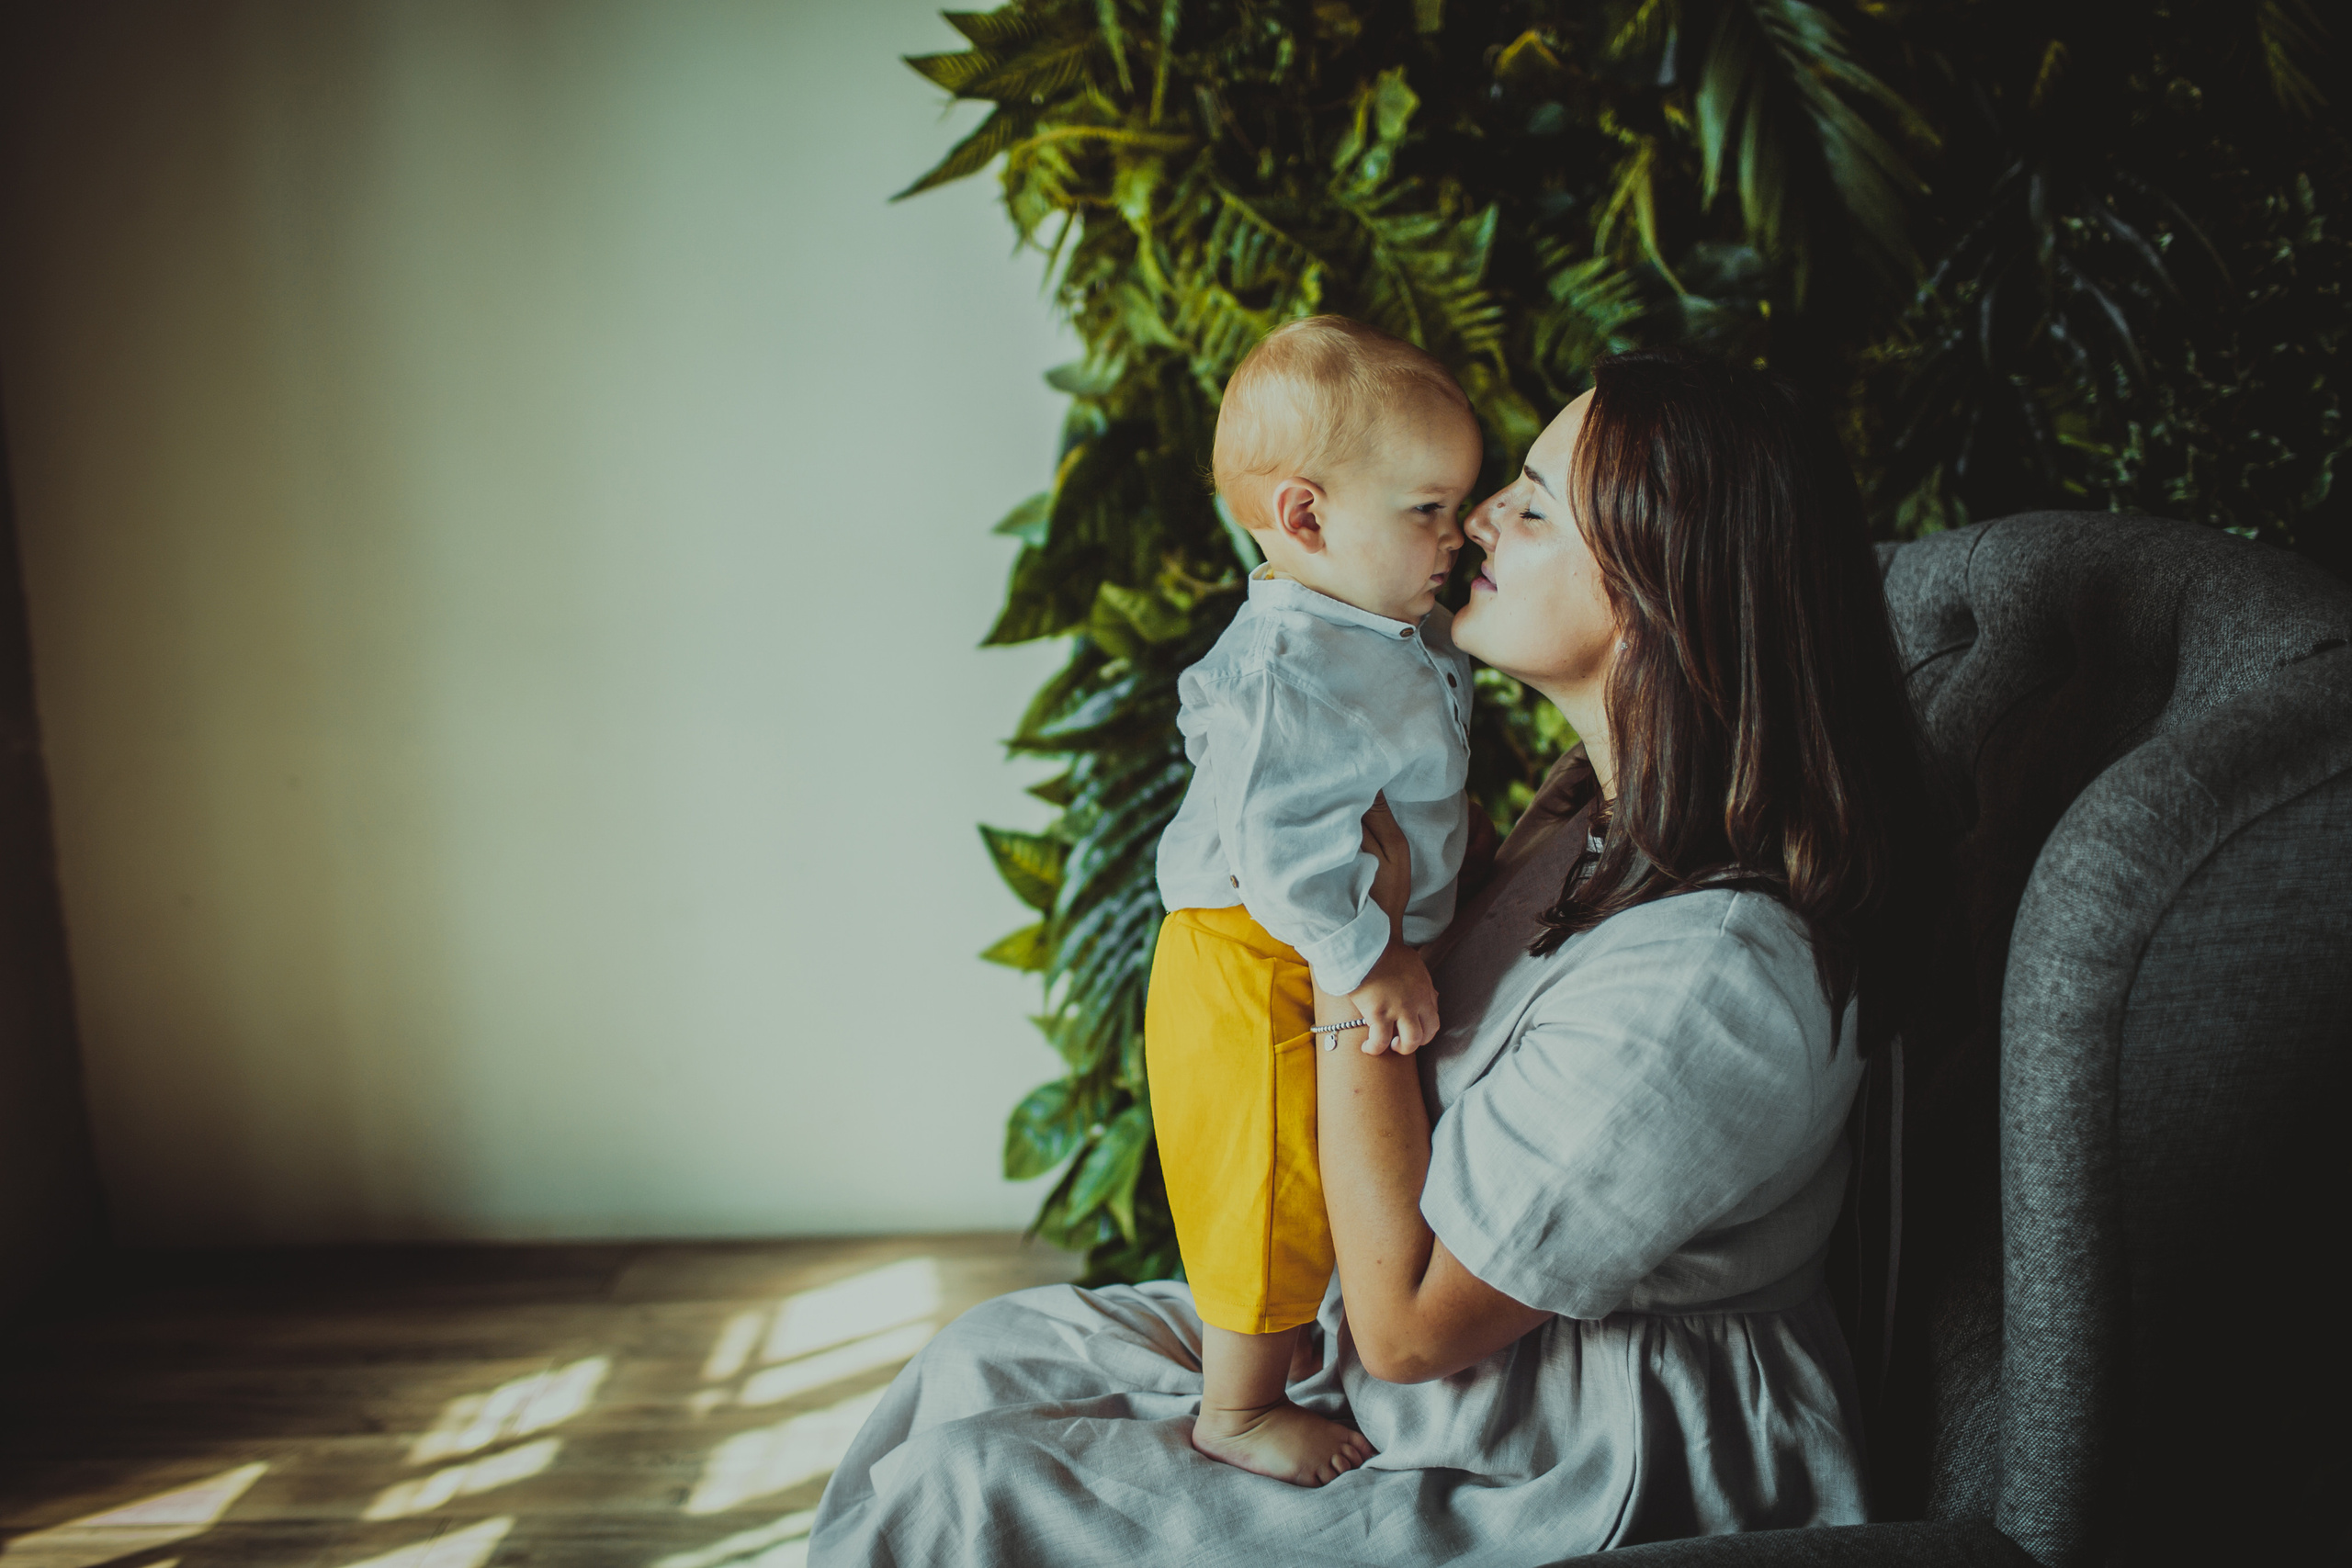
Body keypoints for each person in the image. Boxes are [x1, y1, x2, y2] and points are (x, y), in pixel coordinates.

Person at [808, 346, 1938, 1566]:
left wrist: (1352, 958)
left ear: (1666, 591)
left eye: (1534, 504)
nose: (1483, 520)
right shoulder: (1588, 821)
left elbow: (1409, 1328)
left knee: (974, 1488)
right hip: (1450, 1355)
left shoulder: (1712, 983)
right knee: (986, 1356)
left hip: (1578, 1451)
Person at [1147, 315, 1479, 1486]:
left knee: (1321, 1182)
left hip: (1306, 944)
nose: (1460, 535)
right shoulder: (1293, 668)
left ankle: (1277, 1365)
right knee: (1268, 1186)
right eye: (1428, 509)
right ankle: (1232, 1413)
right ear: (1305, 518)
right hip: (1255, 954)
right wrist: (1362, 952)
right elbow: (1272, 844)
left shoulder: (1373, 624)